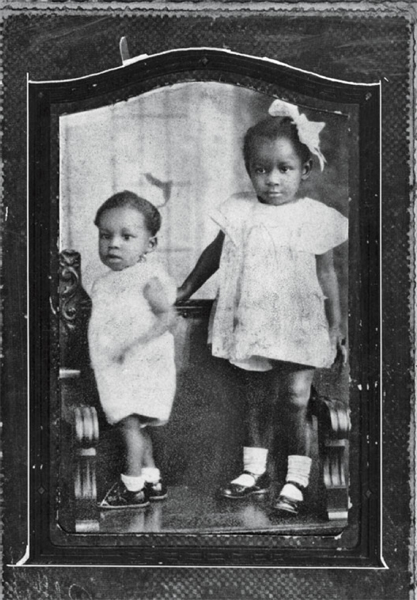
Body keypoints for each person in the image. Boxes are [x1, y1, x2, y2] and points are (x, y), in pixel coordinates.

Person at [177, 100, 348, 515]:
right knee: (255, 395)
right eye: (261, 169)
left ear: (304, 169)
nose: (272, 180)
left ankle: (295, 478)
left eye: (284, 169)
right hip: (252, 318)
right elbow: (215, 255)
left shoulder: (313, 216)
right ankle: (255, 471)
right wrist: (183, 290)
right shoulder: (240, 210)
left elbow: (326, 275)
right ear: (249, 169)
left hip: (298, 319)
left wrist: (336, 322)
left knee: (294, 397)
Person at [88, 191, 176, 509]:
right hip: (113, 365)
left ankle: (132, 487)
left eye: (126, 236)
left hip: (139, 364)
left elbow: (168, 316)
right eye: (105, 235)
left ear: (148, 245)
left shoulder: (146, 278)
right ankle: (152, 480)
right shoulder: (105, 282)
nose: (113, 243)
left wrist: (135, 344)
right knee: (135, 425)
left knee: (128, 424)